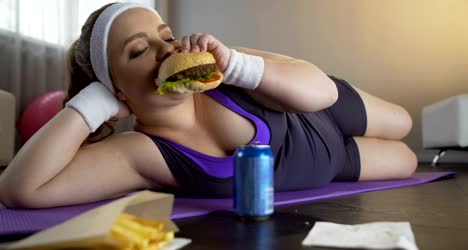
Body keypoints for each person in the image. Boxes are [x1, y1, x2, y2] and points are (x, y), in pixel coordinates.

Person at [0, 2, 417, 208]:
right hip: (331, 163)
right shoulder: (142, 153)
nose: (166, 50)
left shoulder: (220, 67)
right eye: (138, 51)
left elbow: (322, 93)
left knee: (401, 122)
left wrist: (236, 64)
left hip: (319, 110)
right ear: (116, 90)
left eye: (166, 36)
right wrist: (91, 104)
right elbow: (19, 191)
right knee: (407, 161)